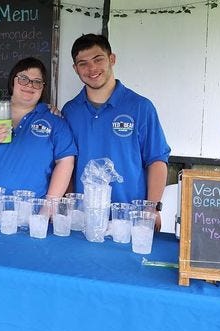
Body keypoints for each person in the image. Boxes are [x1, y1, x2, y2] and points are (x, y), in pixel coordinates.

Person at [61, 34, 171, 225]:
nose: (92, 68)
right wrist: (70, 207)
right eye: (83, 63)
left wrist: (152, 208)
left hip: (130, 217)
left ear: (112, 59)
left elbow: (157, 160)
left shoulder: (140, 107)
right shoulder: (70, 111)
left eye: (98, 59)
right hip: (84, 218)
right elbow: (66, 164)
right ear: (75, 69)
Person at [0, 57, 76, 212]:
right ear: (12, 82)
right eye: (23, 79)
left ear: (43, 88)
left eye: (37, 81)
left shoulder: (55, 122)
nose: (30, 85)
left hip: (27, 214)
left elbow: (65, 162)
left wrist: (50, 205)